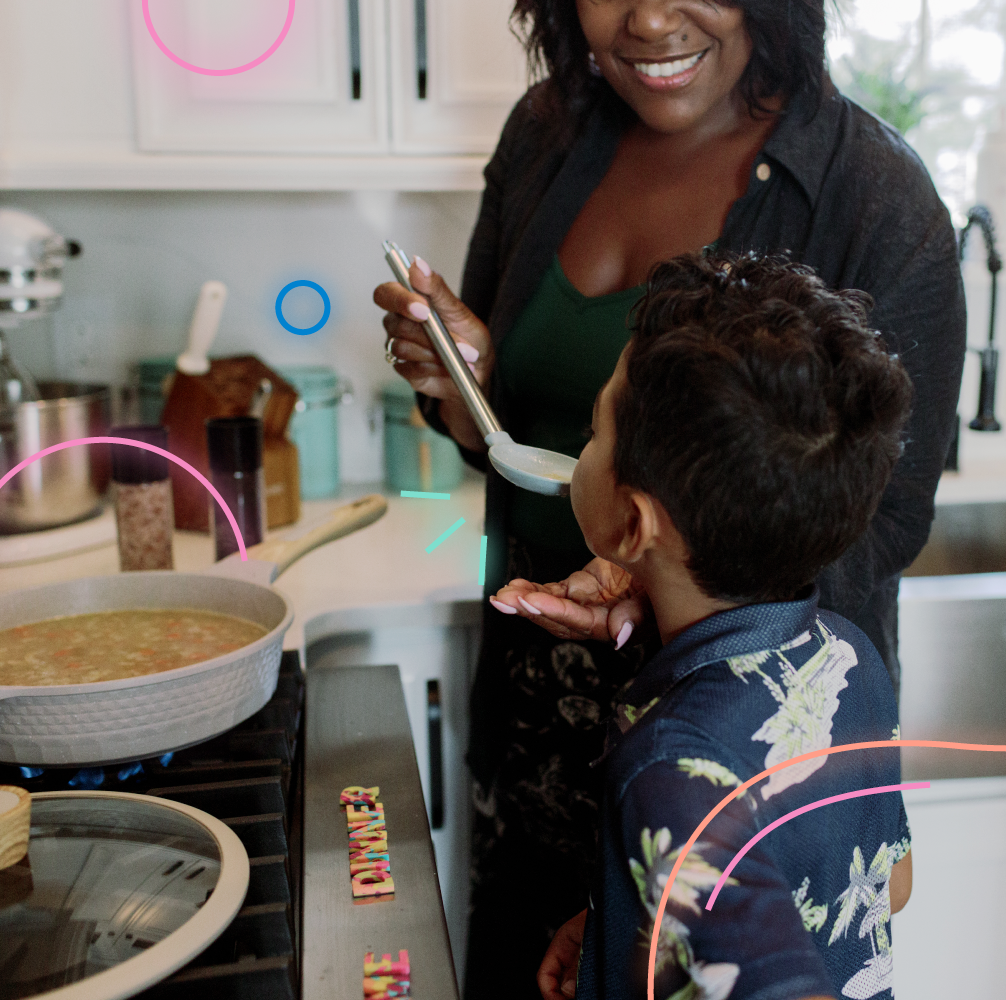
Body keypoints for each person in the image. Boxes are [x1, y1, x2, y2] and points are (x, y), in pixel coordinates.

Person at [373, 1, 963, 992]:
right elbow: (509, 443)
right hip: (541, 733)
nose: (647, 15)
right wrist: (463, 389)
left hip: (726, 729)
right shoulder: (548, 130)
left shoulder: (873, 199)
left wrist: (650, 585)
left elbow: (881, 516)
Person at [536, 252, 915, 1000]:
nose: (583, 449)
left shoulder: (669, 765)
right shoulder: (851, 656)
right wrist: (634, 918)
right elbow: (887, 885)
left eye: (592, 433)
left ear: (633, 524)